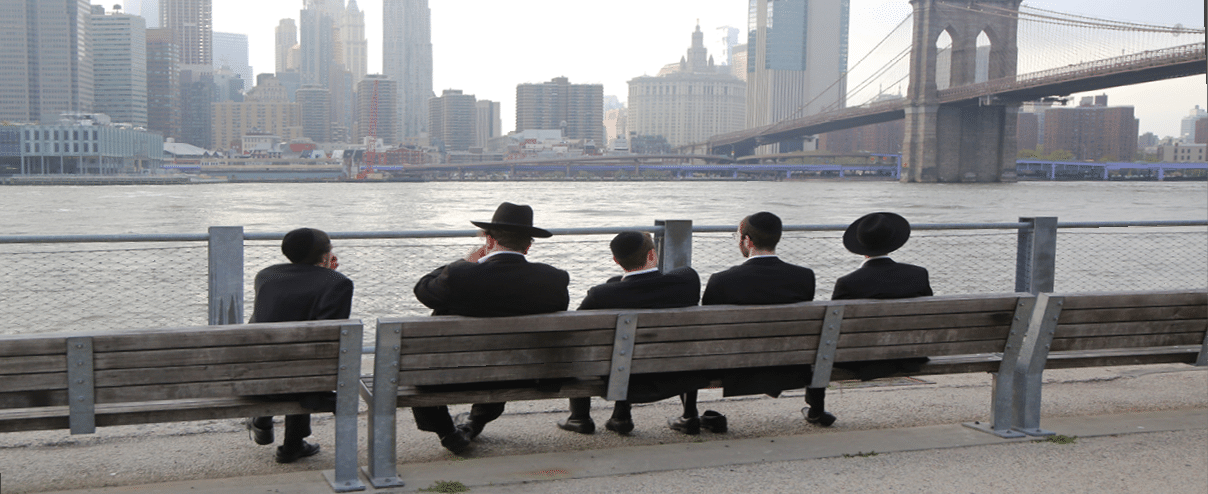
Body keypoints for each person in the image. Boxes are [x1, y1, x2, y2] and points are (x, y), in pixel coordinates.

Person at [412, 202, 570, 454]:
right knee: (510, 351)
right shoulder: (553, 279)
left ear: (488, 240)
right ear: (528, 245)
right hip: (521, 371)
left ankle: (446, 432)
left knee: (418, 361)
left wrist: (467, 260)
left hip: (450, 375)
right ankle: (475, 421)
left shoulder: (460, 275)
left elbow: (424, 290)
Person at [558, 231, 701, 435]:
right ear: (652, 255)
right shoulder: (687, 281)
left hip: (620, 378)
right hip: (678, 372)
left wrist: (617, 282)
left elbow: (577, 332)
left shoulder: (602, 295)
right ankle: (689, 415)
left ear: (616, 260)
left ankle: (580, 417)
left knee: (588, 348)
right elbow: (663, 279)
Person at [701, 212, 835, 428]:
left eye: (738, 237)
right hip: (789, 363)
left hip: (734, 366)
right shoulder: (804, 277)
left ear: (747, 241)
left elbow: (706, 329)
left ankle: (689, 415)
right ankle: (816, 409)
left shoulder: (722, 281)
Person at [244, 227, 353, 463]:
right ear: (325, 256)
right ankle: (292, 446)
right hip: (306, 380)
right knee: (307, 361)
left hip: (256, 378)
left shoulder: (265, 276)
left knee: (290, 355)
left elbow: (278, 313)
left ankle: (264, 418)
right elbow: (330, 337)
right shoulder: (338, 282)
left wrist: (324, 276)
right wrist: (330, 276)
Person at [831, 211, 933, 381]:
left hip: (864, 359)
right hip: (910, 356)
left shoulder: (847, 282)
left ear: (862, 248)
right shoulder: (918, 274)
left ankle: (816, 407)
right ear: (893, 243)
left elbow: (835, 327)